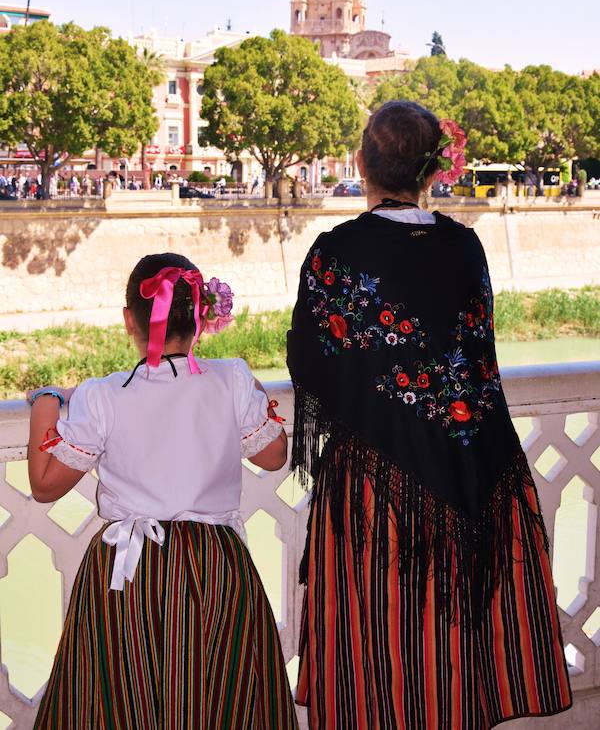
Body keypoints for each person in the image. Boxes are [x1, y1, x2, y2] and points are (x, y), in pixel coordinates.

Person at [287, 101, 571, 730]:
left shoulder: (336, 252)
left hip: (372, 481)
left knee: (378, 645)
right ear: (433, 168)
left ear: (361, 164)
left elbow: (310, 360)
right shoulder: (465, 247)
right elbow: (470, 351)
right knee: (448, 648)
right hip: (469, 468)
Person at [28, 252, 298, 730]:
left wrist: (46, 403)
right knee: (219, 697)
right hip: (216, 569)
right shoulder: (231, 378)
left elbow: (45, 485)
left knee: (124, 701)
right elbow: (274, 455)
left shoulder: (102, 395)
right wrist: (250, 385)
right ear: (202, 318)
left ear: (129, 319)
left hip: (130, 574)